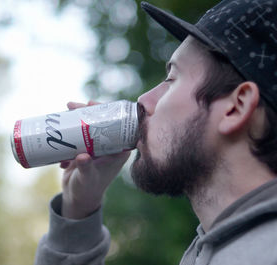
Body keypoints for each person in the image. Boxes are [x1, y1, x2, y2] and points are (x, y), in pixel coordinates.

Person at [34, 0, 277, 264]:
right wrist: (77, 213)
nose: (144, 100)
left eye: (172, 79)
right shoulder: (216, 246)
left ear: (236, 107)